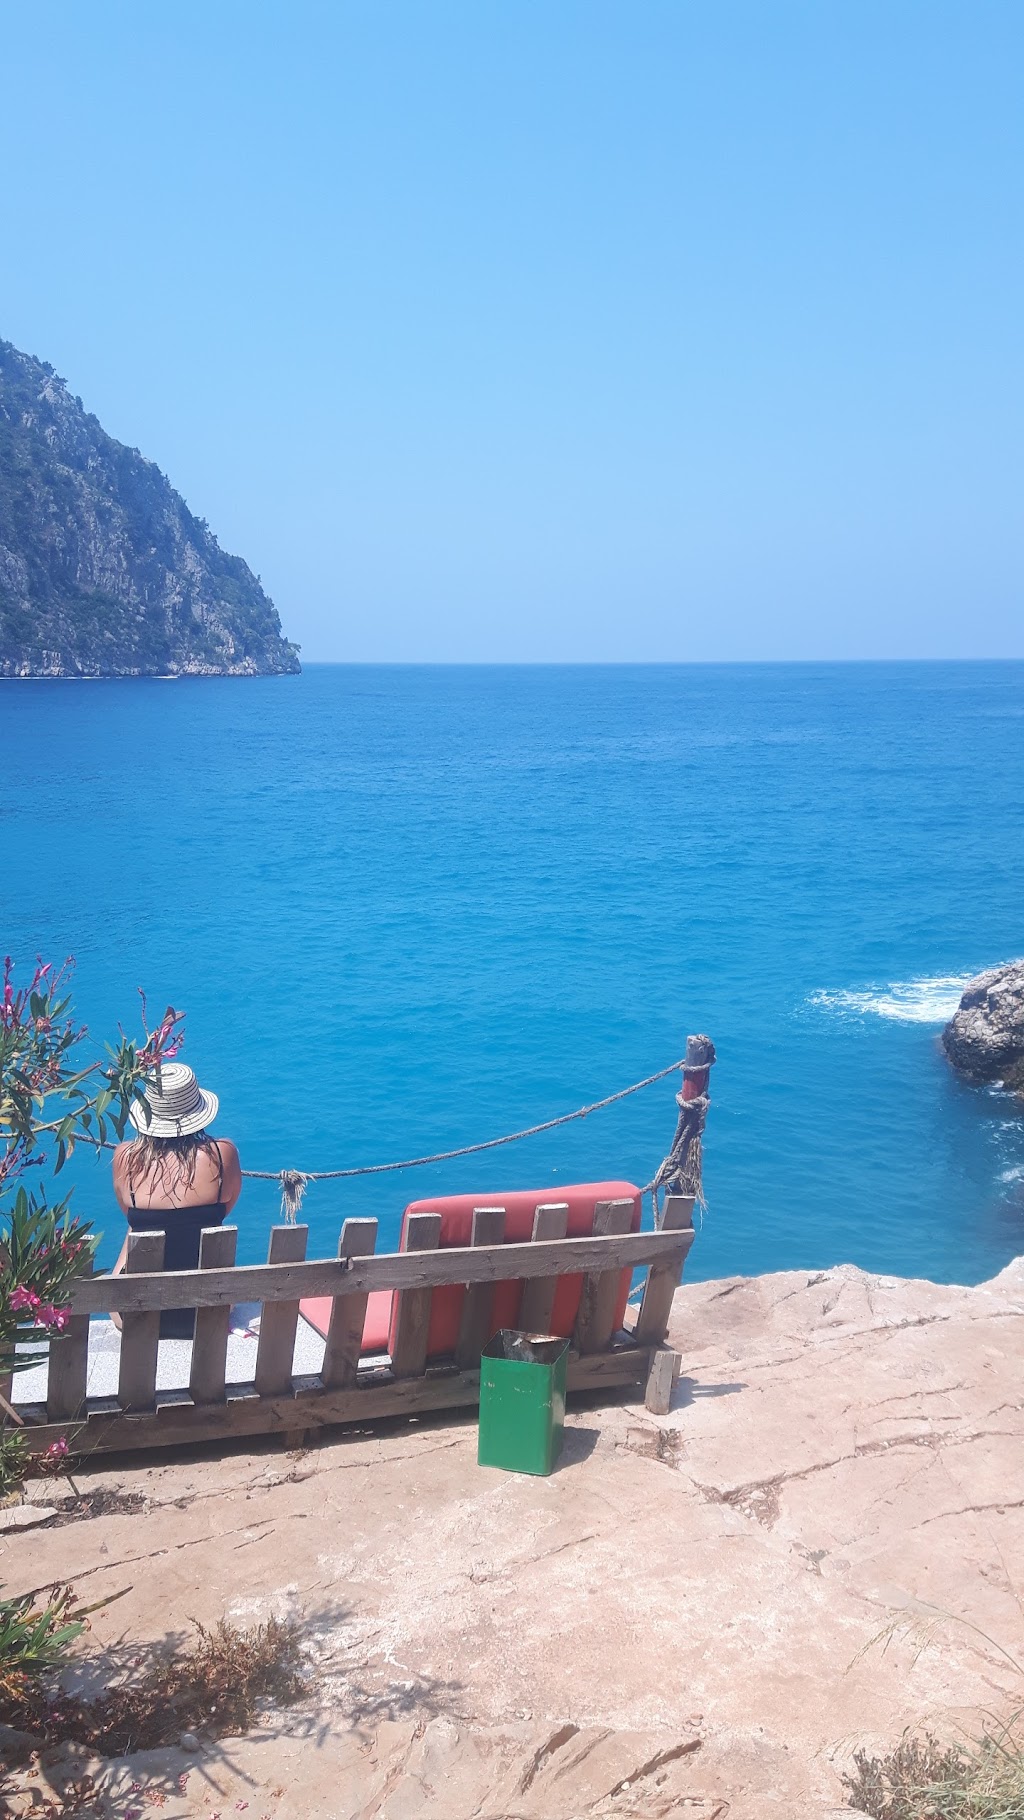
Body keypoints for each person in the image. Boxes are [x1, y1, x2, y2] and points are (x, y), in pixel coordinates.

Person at [111, 1062, 242, 1339]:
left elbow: (130, 1218)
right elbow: (225, 1207)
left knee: (135, 1228)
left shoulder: (125, 1157)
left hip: (135, 1312)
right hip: (209, 1308)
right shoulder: (223, 1154)